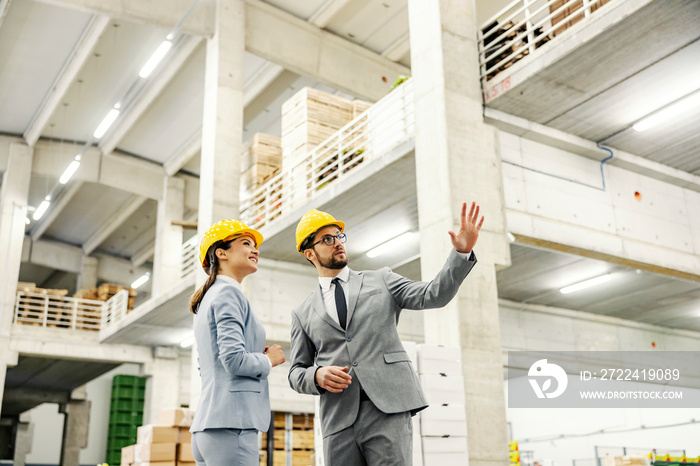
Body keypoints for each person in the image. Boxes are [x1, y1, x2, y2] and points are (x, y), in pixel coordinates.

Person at [288, 202, 484, 466]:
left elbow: (433, 295)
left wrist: (461, 253)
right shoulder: (302, 312)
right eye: (327, 239)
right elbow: (296, 371)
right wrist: (316, 374)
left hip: (387, 409)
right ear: (309, 254)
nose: (337, 243)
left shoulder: (381, 280)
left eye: (339, 236)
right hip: (338, 419)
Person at [188, 219, 285, 466]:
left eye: (254, 245)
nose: (256, 249)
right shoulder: (228, 293)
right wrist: (267, 359)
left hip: (210, 427)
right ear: (221, 253)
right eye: (246, 243)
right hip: (232, 425)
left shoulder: (209, 298)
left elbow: (209, 365)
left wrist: (253, 354)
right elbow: (233, 360)